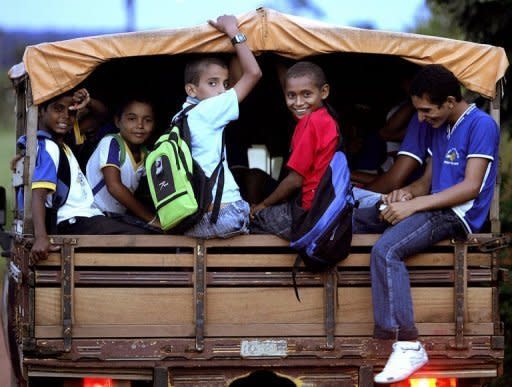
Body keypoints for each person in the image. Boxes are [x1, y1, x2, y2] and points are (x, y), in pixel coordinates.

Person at [352, 64, 500, 384]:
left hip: (456, 216)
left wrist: (416, 206)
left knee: (386, 251)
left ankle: (407, 344)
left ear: (450, 101)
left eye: (426, 110)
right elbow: (426, 183)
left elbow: (470, 187)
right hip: (430, 208)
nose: (421, 118)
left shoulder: (482, 125)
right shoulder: (440, 125)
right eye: (418, 110)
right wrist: (405, 195)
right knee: (356, 218)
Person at [30, 89, 154, 264]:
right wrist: (41, 237)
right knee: (146, 237)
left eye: (71, 112)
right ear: (41, 111)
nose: (65, 116)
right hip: (73, 221)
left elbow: (101, 114)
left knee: (143, 231)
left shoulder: (63, 145)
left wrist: (87, 102)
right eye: (58, 109)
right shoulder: (48, 147)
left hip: (87, 216)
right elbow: (39, 194)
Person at [174, 14, 261, 239]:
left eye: (224, 83)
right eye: (212, 83)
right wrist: (232, 30)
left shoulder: (180, 117)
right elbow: (254, 73)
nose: (222, 91)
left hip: (196, 216)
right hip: (225, 213)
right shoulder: (208, 110)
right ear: (191, 90)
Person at [250, 61, 340, 240]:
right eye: (291, 95)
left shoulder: (310, 123)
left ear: (324, 92)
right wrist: (276, 62)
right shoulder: (324, 117)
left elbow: (295, 180)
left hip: (308, 214)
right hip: (324, 207)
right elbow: (294, 93)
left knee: (246, 220)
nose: (298, 103)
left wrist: (263, 205)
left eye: (306, 94)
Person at [86, 97, 161, 230]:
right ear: (117, 121)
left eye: (147, 120)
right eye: (132, 119)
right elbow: (114, 186)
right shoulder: (111, 143)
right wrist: (151, 219)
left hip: (114, 218)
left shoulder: (147, 155)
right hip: (93, 214)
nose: (140, 125)